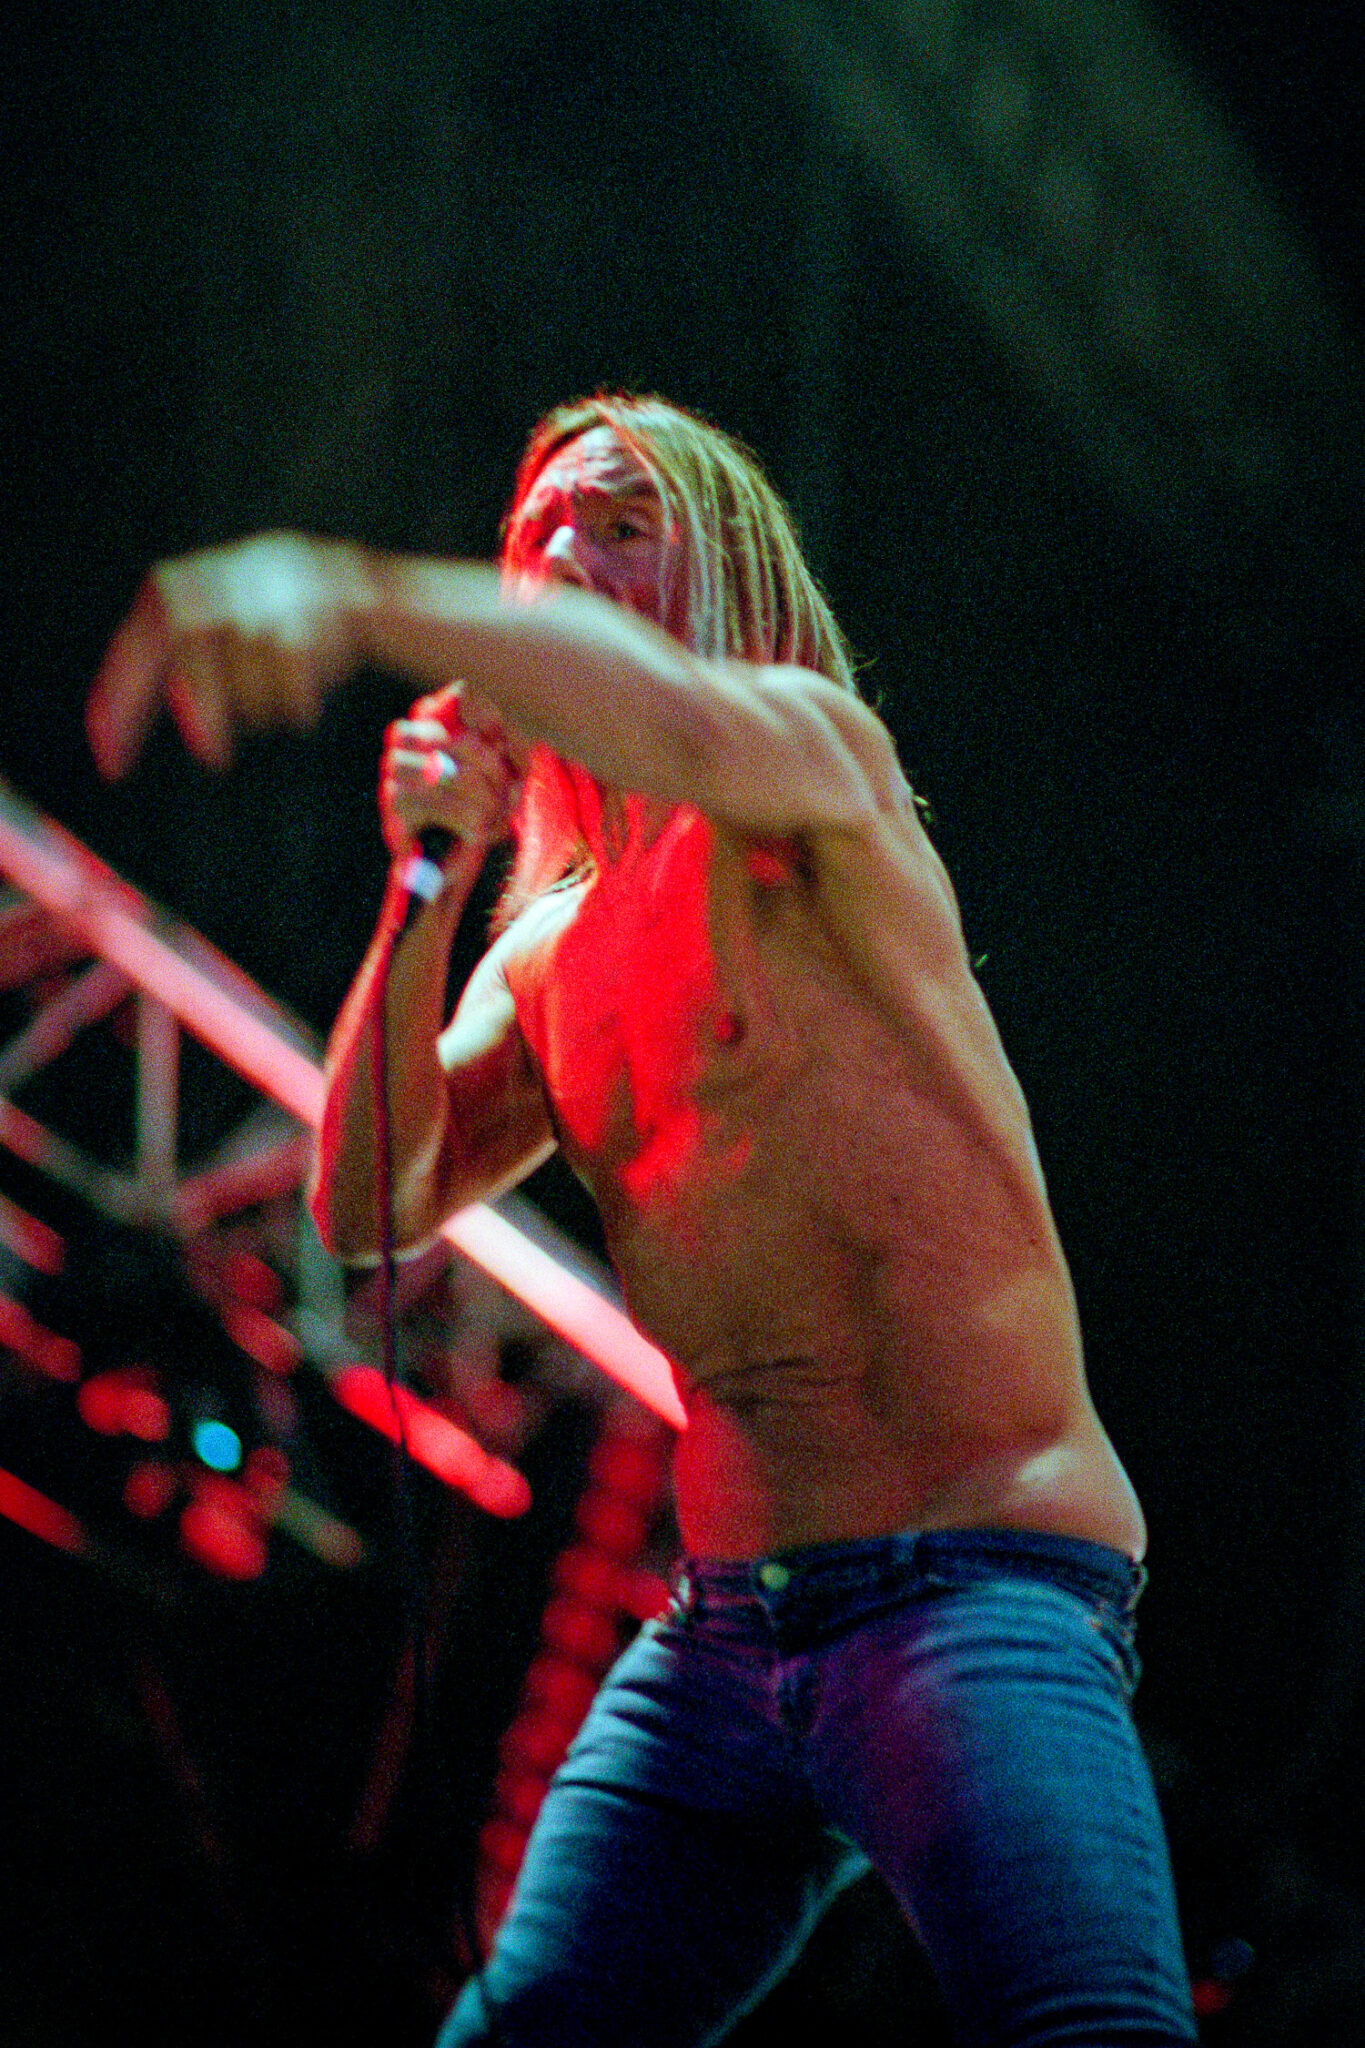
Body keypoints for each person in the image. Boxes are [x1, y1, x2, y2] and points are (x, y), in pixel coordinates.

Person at [90, 393, 1197, 2045]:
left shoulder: (814, 765)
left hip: (967, 1588)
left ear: (728, 572)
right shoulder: (549, 954)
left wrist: (343, 589)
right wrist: (429, 885)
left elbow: (671, 718)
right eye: (541, 534)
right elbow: (364, 1204)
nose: (568, 555)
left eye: (623, 524)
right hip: (724, 1642)